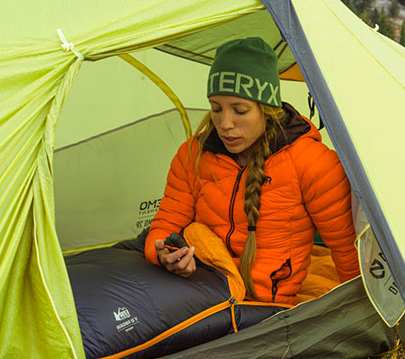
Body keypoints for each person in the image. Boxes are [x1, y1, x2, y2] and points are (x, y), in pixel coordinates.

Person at [144, 37, 359, 305]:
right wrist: (165, 254)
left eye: (240, 110)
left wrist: (362, 313)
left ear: (266, 110)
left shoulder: (311, 163)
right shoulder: (193, 155)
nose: (225, 124)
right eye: (216, 109)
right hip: (205, 292)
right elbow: (165, 225)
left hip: (270, 307)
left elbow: (347, 249)